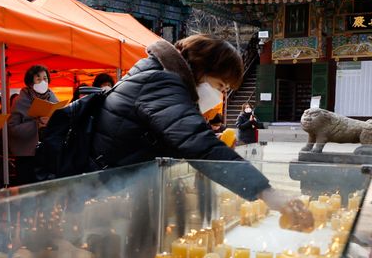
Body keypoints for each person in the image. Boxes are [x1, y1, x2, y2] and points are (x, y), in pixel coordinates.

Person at [91, 35, 299, 210]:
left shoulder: (159, 75)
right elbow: (198, 144)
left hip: (107, 189)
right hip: (89, 191)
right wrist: (265, 191)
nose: (220, 96)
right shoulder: (160, 83)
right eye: (220, 86)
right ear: (201, 68)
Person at [8, 65, 59, 185]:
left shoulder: (52, 97)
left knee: (46, 191)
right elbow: (12, 129)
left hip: (48, 152)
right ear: (30, 82)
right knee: (28, 191)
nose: (43, 82)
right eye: (38, 79)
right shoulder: (20, 100)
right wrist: (36, 125)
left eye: (45, 78)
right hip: (27, 156)